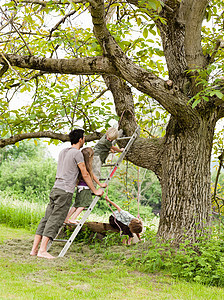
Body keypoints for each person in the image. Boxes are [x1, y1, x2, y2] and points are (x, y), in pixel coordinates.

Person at [30, 129, 104, 259]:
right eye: (84, 137)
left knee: (46, 219)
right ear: (80, 139)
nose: (84, 139)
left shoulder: (63, 152)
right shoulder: (77, 154)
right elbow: (85, 173)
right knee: (55, 220)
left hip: (55, 189)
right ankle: (42, 251)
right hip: (65, 192)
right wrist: (94, 190)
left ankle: (34, 249)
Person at [64, 147, 107, 224]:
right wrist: (98, 186)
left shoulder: (81, 166)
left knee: (76, 205)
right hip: (85, 188)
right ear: (90, 157)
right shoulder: (88, 167)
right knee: (83, 205)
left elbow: (93, 176)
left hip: (79, 188)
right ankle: (73, 219)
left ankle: (66, 218)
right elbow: (93, 176)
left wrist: (100, 184)